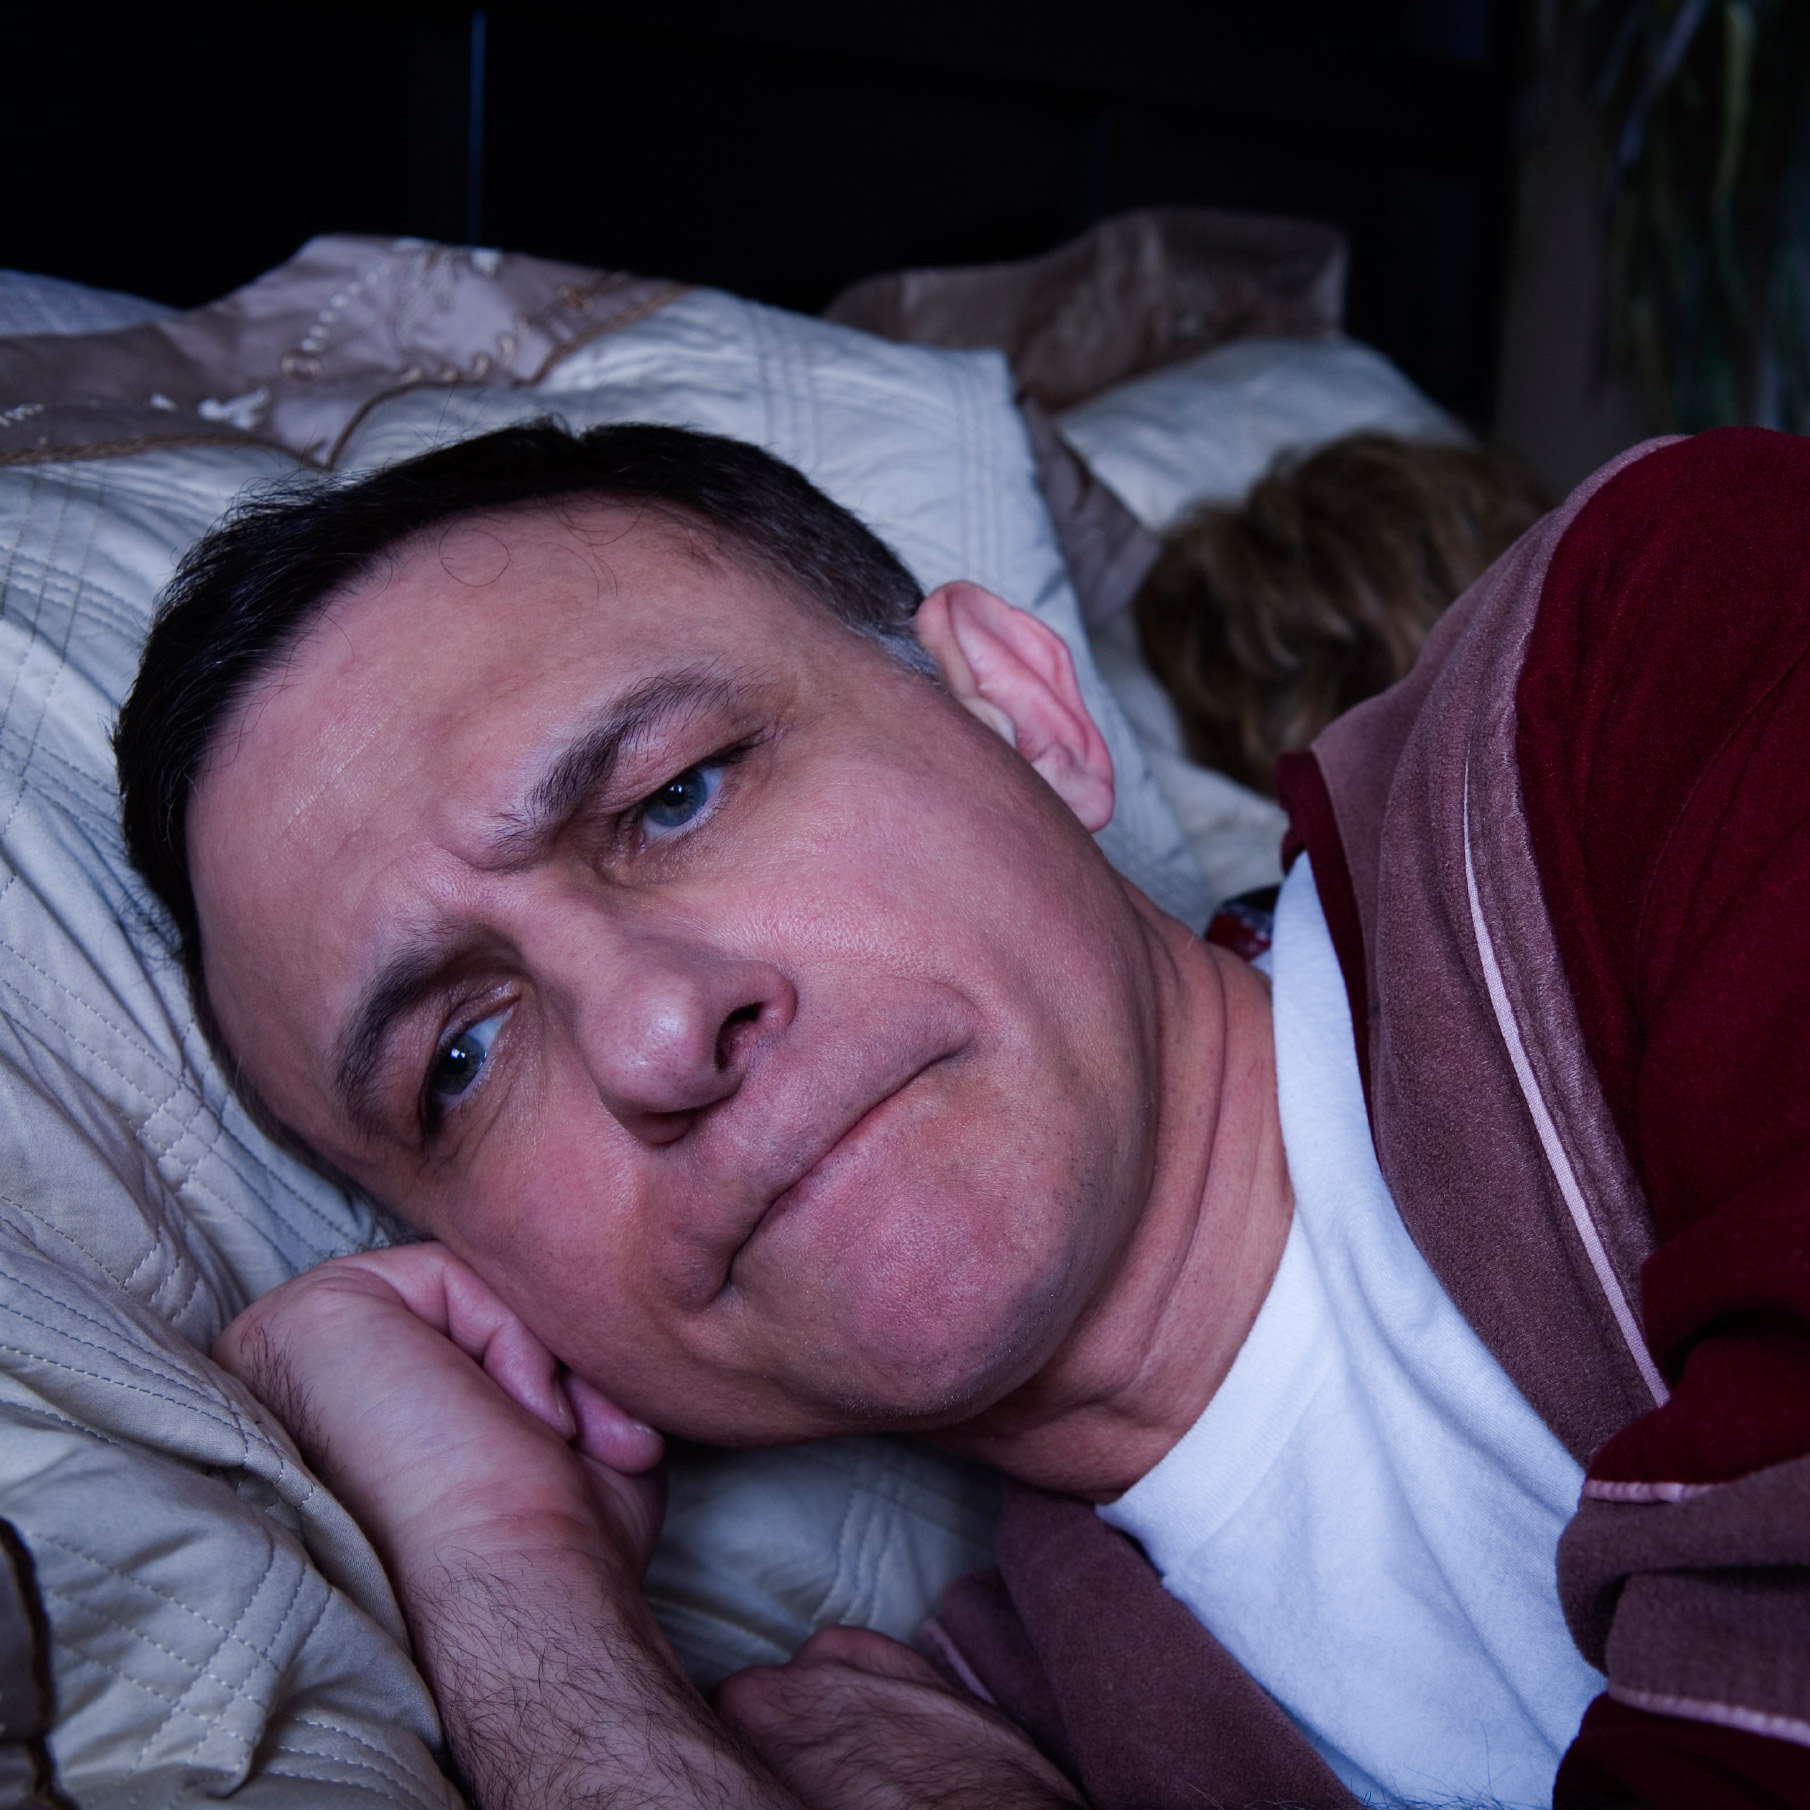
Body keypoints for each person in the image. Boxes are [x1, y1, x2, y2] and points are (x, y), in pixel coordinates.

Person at [112, 420, 1810, 1810]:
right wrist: (507, 1581)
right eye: (460, 1061)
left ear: (1019, 708)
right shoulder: (926, 1743)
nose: (645, 1031)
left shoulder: (1662, 665)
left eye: (672, 794)